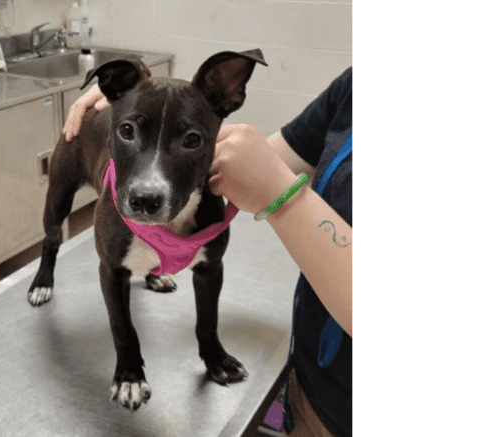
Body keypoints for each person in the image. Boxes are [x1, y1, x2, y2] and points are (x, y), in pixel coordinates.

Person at [63, 67, 352, 437]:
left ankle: (209, 349)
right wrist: (135, 100)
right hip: (305, 381)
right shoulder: (351, 89)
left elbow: (266, 175)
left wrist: (281, 196)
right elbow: (258, 159)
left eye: (191, 139)